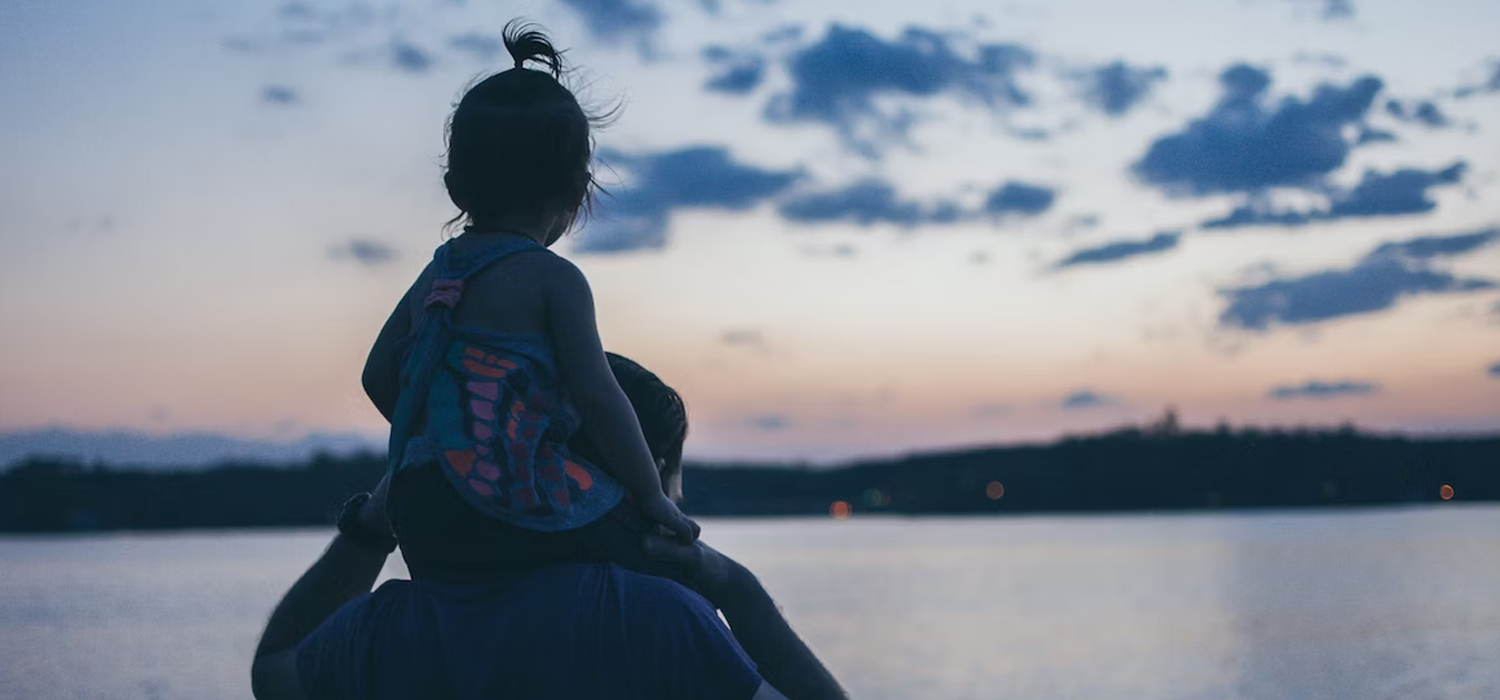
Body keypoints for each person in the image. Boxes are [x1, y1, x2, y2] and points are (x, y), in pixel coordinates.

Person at [250, 355, 849, 700]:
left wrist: (374, 523)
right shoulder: (653, 619)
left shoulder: (384, 629)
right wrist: (730, 585)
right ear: (651, 476)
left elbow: (274, 669)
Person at [360, 21, 697, 585]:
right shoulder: (554, 279)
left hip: (418, 508)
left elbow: (377, 377)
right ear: (576, 191)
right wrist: (650, 495)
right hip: (511, 500)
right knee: (660, 562)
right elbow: (600, 398)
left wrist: (448, 437)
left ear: (454, 188)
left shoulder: (437, 274)